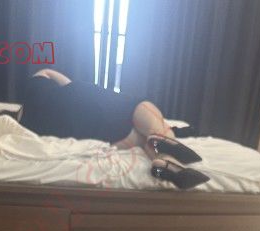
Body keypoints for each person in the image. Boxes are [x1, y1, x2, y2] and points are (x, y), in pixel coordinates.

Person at [19, 69, 209, 190]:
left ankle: (164, 159)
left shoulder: (26, 124)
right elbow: (57, 77)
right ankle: (163, 152)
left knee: (139, 136)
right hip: (87, 104)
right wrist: (74, 87)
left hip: (83, 132)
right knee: (140, 107)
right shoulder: (36, 82)